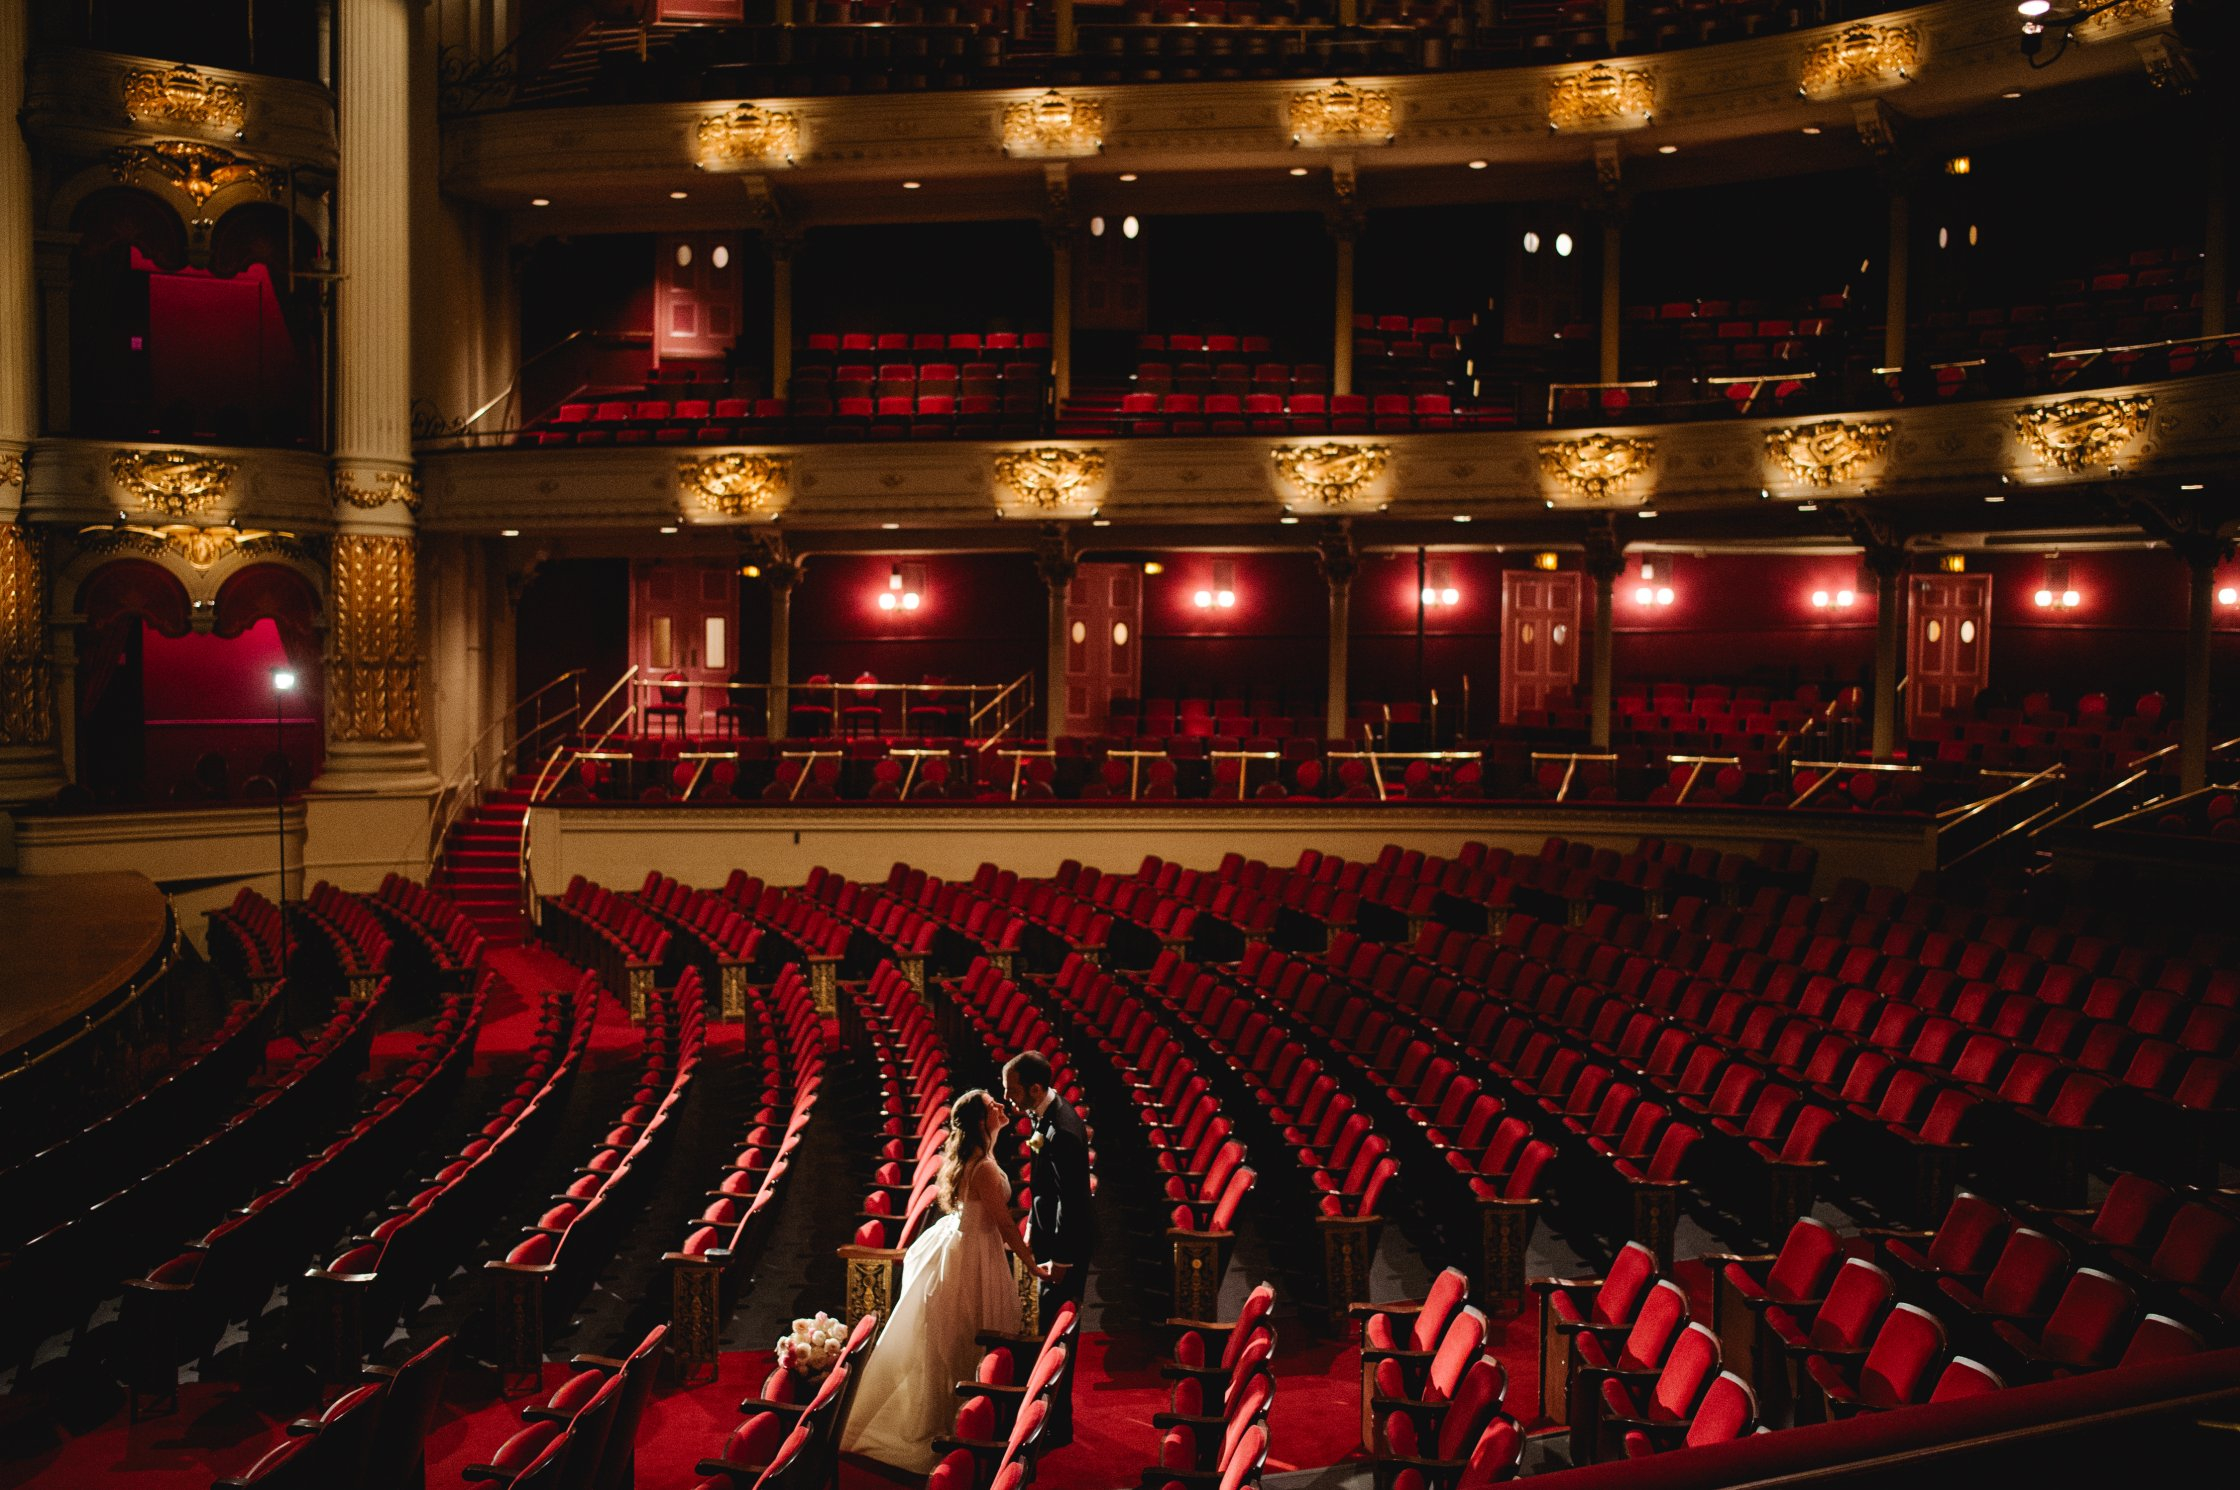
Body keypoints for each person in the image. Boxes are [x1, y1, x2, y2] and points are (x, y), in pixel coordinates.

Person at [840, 1089, 1054, 1472]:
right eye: (993, 1106)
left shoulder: (979, 1157)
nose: (1002, 1107)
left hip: (965, 1249)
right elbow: (1004, 1224)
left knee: (961, 1335)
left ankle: (970, 1414)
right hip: (973, 1258)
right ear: (978, 1121)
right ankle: (960, 1419)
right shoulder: (985, 1168)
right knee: (967, 1334)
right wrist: (1033, 1265)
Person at [1002, 1050, 1095, 1447]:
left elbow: (1071, 1202)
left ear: (1035, 1088)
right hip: (1052, 1239)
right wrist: (1031, 1230)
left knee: (1059, 1335)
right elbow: (1046, 1190)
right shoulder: (1046, 1114)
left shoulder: (1064, 1130)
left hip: (1066, 1249)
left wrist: (1060, 1259)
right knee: (1050, 1330)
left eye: (1012, 1091)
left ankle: (1058, 1424)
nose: (1008, 1098)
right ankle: (1052, 1416)